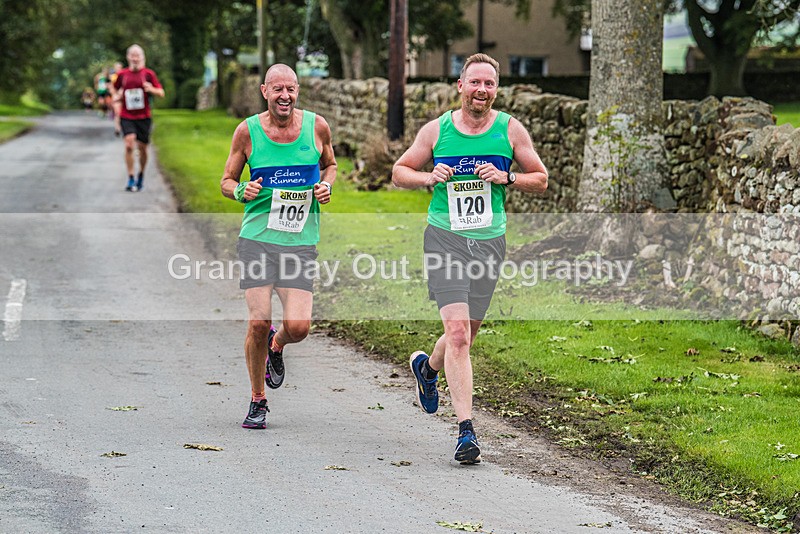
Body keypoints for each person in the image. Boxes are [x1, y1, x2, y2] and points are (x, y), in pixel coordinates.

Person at [392, 53, 548, 464]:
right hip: (445, 239)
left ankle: (428, 370)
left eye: (489, 84)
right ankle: (466, 433)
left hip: (489, 241)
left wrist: (508, 176)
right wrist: (428, 176)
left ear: (496, 90)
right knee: (458, 334)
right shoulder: (437, 130)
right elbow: (399, 171)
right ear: (460, 85)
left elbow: (541, 179)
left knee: (467, 335)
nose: (482, 90)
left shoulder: (509, 130)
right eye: (475, 82)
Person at [220, 64, 337, 430]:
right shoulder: (248, 132)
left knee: (299, 327)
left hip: (300, 242)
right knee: (259, 321)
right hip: (257, 239)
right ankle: (258, 400)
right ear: (264, 91)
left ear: (297, 91)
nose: (284, 96)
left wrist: (326, 185)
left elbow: (330, 165)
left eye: (291, 89)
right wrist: (240, 190)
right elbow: (226, 179)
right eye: (277, 89)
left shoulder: (317, 127)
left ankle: (277, 346)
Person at [113, 44, 165, 192]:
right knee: (129, 144)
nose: (135, 58)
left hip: (144, 116)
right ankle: (130, 177)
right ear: (128, 57)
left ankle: (141, 174)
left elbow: (161, 93)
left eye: (138, 55)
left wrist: (151, 89)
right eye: (133, 55)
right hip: (127, 115)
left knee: (143, 148)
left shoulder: (148, 74)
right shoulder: (122, 75)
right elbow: (115, 89)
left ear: (143, 57)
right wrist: (117, 96)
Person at [109, 61, 124, 136]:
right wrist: (115, 95)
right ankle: (117, 128)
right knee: (117, 112)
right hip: (116, 96)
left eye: (119, 67)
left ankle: (123, 126)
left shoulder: (124, 75)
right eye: (116, 68)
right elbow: (111, 87)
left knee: (122, 113)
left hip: (124, 96)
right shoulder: (113, 77)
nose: (118, 69)